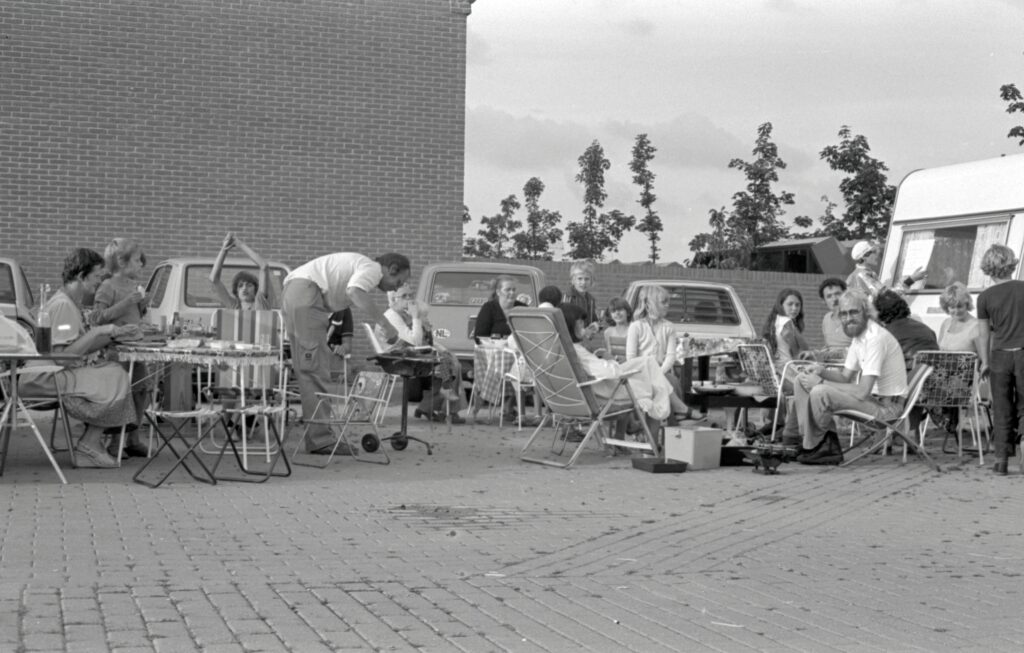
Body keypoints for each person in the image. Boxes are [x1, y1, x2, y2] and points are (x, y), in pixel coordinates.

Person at [17, 249, 138, 467]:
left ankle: (93, 442)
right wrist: (99, 331)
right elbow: (63, 357)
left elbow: (76, 347)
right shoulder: (63, 305)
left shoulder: (68, 301)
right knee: (116, 376)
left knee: (112, 371)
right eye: (96, 276)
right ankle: (90, 444)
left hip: (49, 374)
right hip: (43, 378)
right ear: (81, 276)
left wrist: (114, 335)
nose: (99, 282)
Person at [282, 252, 410, 454]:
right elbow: (355, 292)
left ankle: (318, 437)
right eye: (398, 280)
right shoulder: (372, 269)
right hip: (306, 294)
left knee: (307, 369)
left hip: (296, 292)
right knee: (315, 370)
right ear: (391, 269)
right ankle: (321, 440)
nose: (396, 287)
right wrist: (387, 326)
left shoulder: (359, 264)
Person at [779, 289, 907, 465]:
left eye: (854, 312)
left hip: (887, 409)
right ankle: (807, 442)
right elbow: (845, 377)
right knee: (802, 380)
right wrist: (820, 371)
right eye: (844, 314)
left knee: (821, 391)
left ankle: (822, 446)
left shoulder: (875, 339)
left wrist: (821, 382)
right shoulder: (858, 337)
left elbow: (862, 391)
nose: (848, 318)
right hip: (873, 400)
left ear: (866, 311)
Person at [561, 303, 672, 431]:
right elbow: (610, 372)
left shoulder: (561, 348)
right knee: (656, 386)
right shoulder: (577, 350)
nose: (583, 327)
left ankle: (681, 412)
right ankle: (674, 423)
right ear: (570, 325)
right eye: (580, 323)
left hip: (577, 396)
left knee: (649, 362)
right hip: (605, 396)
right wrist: (610, 360)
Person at [90, 237, 152, 455]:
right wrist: (127, 302)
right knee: (121, 393)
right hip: (116, 350)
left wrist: (141, 306)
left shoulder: (134, 286)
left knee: (141, 389)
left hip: (137, 348)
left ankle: (133, 438)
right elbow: (97, 318)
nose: (141, 264)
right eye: (137, 260)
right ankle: (116, 442)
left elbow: (134, 315)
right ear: (122, 263)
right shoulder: (107, 286)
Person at [384, 284, 466, 424]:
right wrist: (416, 317)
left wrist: (444, 349)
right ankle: (446, 410)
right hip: (398, 359)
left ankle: (433, 407)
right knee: (450, 365)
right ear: (393, 300)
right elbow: (415, 341)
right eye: (404, 296)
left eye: (411, 295)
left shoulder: (405, 313)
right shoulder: (392, 316)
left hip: (412, 354)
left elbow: (427, 340)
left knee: (452, 361)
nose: (409, 300)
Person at [977, 244, 1024, 476]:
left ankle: (1001, 460)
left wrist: (984, 361)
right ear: (1011, 263)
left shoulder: (984, 297)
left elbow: (983, 334)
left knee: (1002, 407)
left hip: (999, 356)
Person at [626, 285, 687, 419]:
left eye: (668, 302)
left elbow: (671, 357)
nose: (667, 306)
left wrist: (657, 374)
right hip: (639, 374)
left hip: (661, 372)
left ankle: (673, 430)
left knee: (671, 381)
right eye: (663, 302)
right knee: (669, 383)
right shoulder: (636, 327)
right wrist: (651, 375)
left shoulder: (669, 327)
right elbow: (631, 359)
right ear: (649, 304)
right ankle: (680, 415)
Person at [874, 289, 939, 372]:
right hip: (930, 378)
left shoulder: (885, 335)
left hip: (904, 379)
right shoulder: (927, 329)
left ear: (880, 313)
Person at [761, 288, 810, 385]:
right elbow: (801, 353)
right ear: (781, 305)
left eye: (797, 305)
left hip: (775, 373)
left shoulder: (775, 321)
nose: (794, 308)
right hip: (787, 374)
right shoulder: (787, 322)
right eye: (790, 304)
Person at [209, 232, 271, 310]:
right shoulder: (234, 306)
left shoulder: (260, 303)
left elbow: (264, 266)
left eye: (249, 285)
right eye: (240, 286)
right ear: (236, 291)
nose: (244, 288)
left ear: (256, 289)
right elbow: (213, 279)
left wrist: (240, 244)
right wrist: (224, 250)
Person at [846, 240, 926, 298]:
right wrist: (910, 280)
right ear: (864, 256)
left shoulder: (858, 274)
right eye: (873, 252)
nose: (877, 254)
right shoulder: (862, 275)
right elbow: (886, 297)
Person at [473, 275, 527, 342]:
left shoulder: (523, 308)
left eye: (514, 290)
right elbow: (479, 337)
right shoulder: (489, 308)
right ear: (498, 292)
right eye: (508, 290)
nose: (512, 293)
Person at [937, 282, 983, 355]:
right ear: (946, 307)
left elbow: (984, 360)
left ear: (967, 305)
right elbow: (938, 350)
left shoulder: (977, 326)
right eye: (952, 307)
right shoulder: (946, 323)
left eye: (960, 306)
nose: (956, 311)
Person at [563, 260, 601, 345]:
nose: (583, 282)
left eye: (586, 279)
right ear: (572, 280)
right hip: (570, 342)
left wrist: (595, 325)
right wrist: (582, 331)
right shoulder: (568, 297)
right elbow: (564, 322)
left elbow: (594, 319)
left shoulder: (591, 299)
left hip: (584, 342)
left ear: (592, 281)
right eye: (580, 279)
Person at [818, 277, 852, 355]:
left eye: (838, 294)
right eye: (829, 296)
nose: (834, 299)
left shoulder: (854, 317)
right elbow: (828, 347)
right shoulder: (826, 319)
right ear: (824, 301)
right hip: (830, 364)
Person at [603, 297, 633, 363]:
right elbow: (608, 353)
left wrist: (626, 359)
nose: (617, 313)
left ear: (628, 312)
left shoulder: (634, 329)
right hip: (614, 367)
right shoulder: (608, 332)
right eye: (613, 311)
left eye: (620, 310)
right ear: (610, 315)